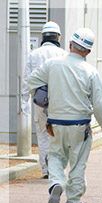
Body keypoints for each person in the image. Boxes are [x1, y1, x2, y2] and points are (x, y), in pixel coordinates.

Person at [27, 28, 102, 203]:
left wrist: (47, 95)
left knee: (56, 156)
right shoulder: (90, 70)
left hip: (55, 122)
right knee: (78, 163)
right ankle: (73, 202)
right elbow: (98, 103)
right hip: (80, 125)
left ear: (70, 45)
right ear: (88, 52)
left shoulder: (52, 64)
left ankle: (56, 182)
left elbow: (31, 81)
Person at [21, 21, 67, 179]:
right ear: (58, 37)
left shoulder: (33, 55)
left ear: (43, 36)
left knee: (42, 134)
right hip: (60, 102)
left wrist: (24, 104)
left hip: (40, 101)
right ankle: (58, 169)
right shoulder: (64, 54)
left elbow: (26, 80)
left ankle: (46, 170)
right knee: (58, 135)